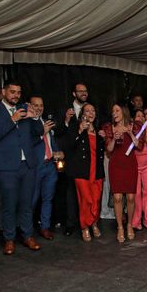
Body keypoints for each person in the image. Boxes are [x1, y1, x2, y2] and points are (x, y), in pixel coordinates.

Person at [0, 81, 43, 255]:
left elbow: (39, 131)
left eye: (18, 92)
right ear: (3, 92)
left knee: (27, 203)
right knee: (9, 204)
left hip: (27, 165)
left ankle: (27, 235)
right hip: (6, 166)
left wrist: (33, 117)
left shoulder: (24, 109)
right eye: (12, 92)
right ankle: (9, 238)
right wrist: (12, 119)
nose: (15, 95)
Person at [64, 103, 105, 242]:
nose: (91, 113)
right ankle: (85, 227)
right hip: (82, 171)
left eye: (93, 110)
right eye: (87, 111)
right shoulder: (76, 127)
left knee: (96, 200)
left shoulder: (99, 130)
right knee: (85, 200)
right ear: (82, 114)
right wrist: (80, 131)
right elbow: (69, 147)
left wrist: (104, 138)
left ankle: (93, 222)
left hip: (97, 171)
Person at [54, 82, 89, 236]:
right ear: (74, 94)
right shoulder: (65, 110)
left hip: (85, 156)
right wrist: (67, 121)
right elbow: (58, 132)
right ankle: (70, 223)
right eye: (80, 91)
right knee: (69, 191)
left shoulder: (92, 110)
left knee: (86, 191)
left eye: (85, 91)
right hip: (70, 156)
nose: (84, 93)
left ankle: (87, 222)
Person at [104, 103, 138, 242]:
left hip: (130, 164)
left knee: (130, 198)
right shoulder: (109, 128)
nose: (114, 113)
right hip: (116, 165)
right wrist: (113, 138)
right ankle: (120, 227)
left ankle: (129, 225)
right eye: (112, 111)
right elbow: (109, 150)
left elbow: (139, 145)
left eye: (117, 110)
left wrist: (129, 133)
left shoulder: (132, 126)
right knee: (117, 198)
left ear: (123, 112)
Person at [30, 96, 62, 241]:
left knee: (48, 198)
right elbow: (29, 143)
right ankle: (27, 230)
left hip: (50, 165)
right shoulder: (28, 124)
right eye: (35, 105)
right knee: (32, 199)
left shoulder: (45, 122)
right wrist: (42, 131)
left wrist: (57, 151)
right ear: (30, 106)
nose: (39, 108)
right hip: (35, 167)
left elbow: (50, 142)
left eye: (41, 105)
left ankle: (45, 227)